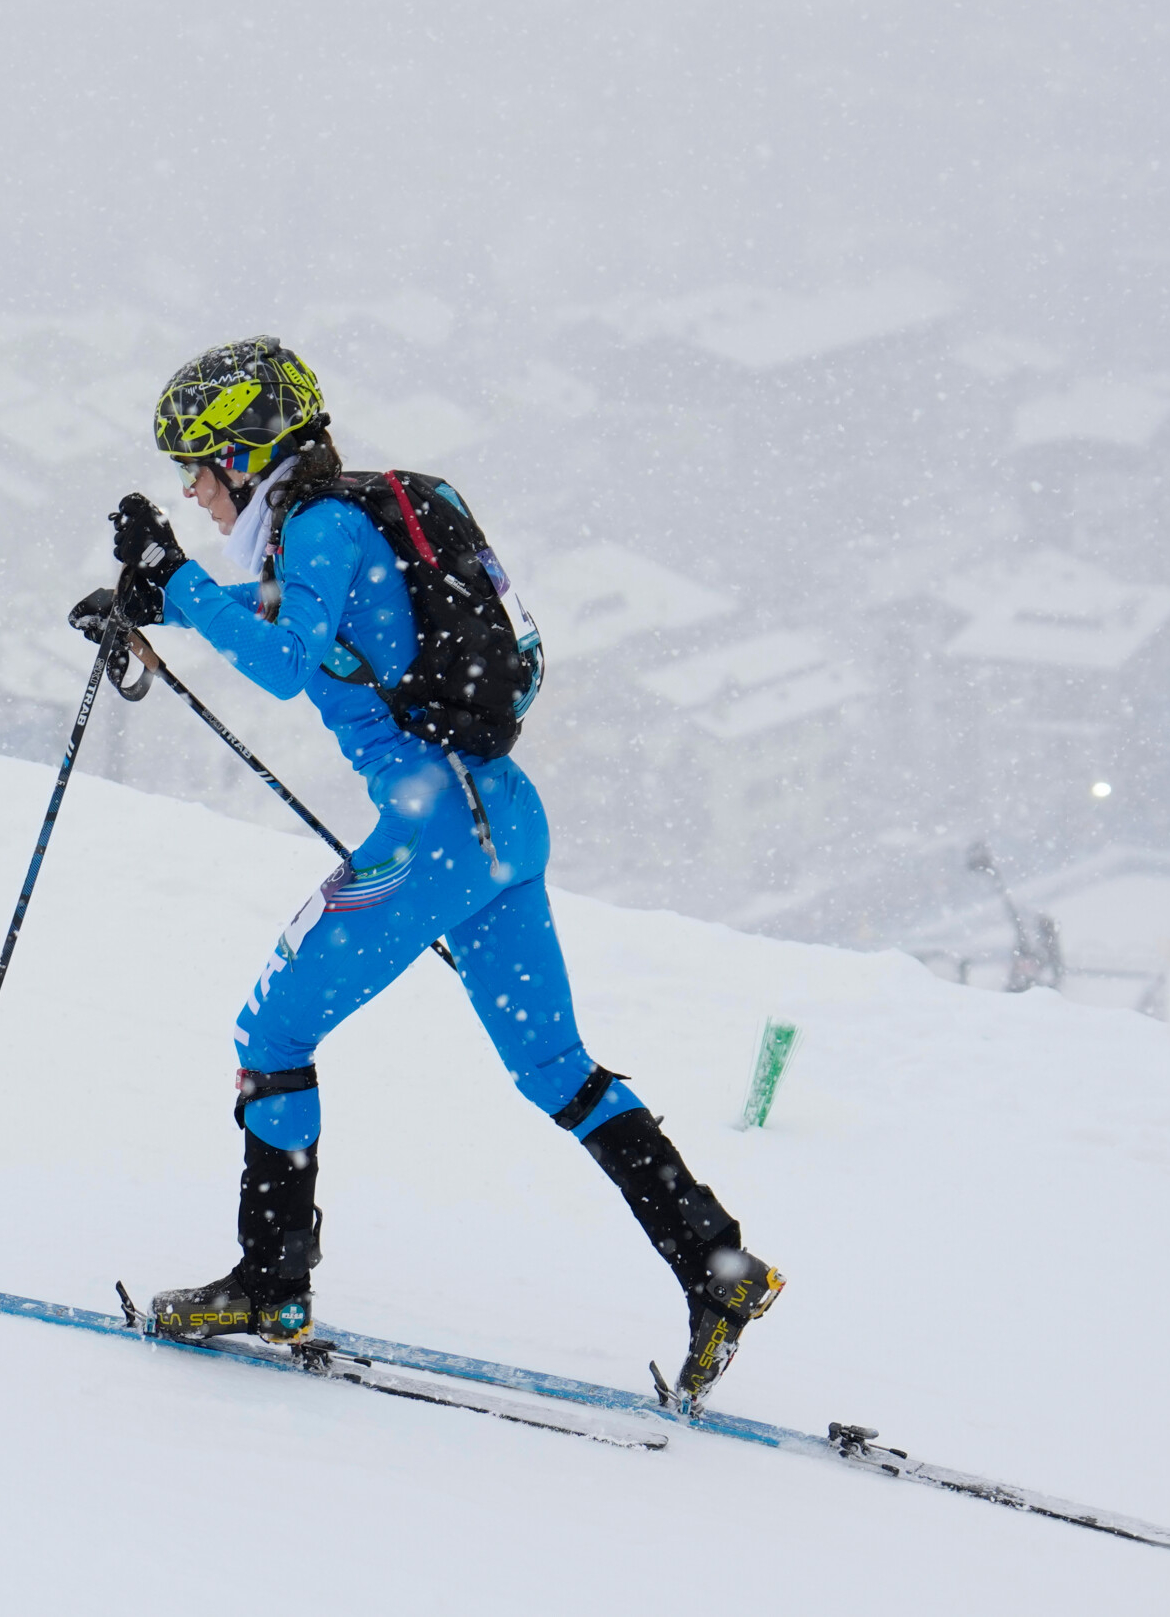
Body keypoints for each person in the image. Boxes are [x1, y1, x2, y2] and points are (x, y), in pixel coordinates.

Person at [69, 335, 782, 1412]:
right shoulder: (337, 523)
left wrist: (174, 577)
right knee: (556, 1069)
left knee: (272, 1034)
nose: (191, 492)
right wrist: (158, 604)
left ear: (246, 454)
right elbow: (309, 630)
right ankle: (716, 1266)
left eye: (196, 466)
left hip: (435, 829)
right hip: (500, 817)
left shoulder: (319, 525)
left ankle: (272, 1283)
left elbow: (284, 658)